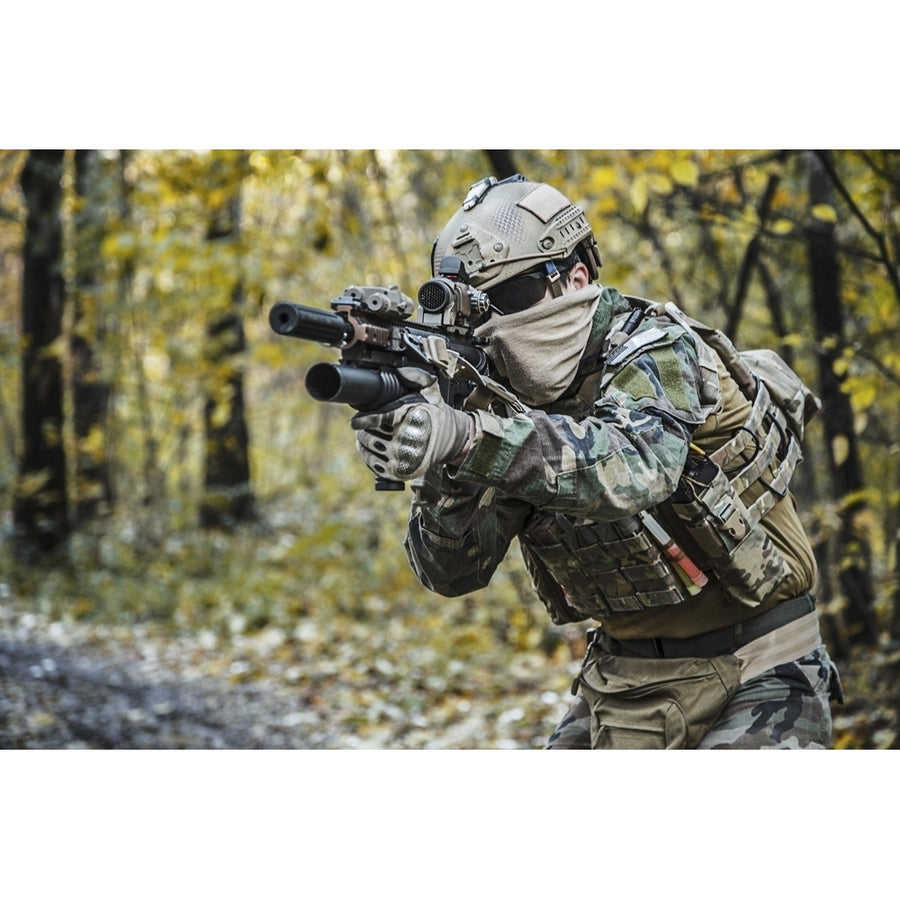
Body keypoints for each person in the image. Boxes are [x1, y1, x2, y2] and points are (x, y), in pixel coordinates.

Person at [351, 174, 843, 749]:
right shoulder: (505, 399)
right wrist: (439, 451)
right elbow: (452, 572)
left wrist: (467, 437)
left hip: (759, 669)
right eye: (473, 311)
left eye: (504, 300)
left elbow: (637, 466)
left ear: (574, 278)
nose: (489, 326)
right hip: (620, 682)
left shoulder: (657, 346)